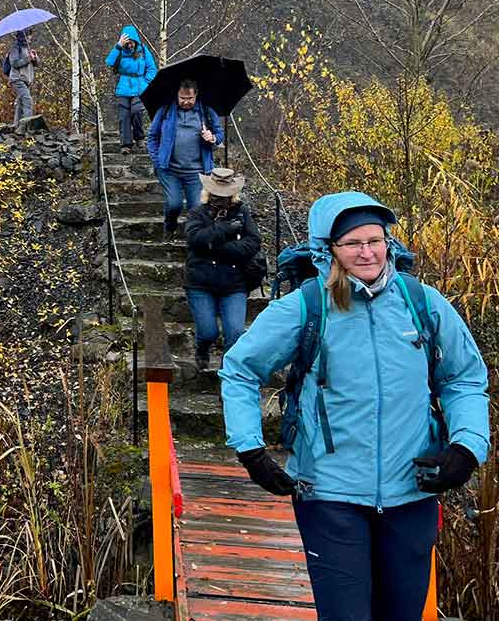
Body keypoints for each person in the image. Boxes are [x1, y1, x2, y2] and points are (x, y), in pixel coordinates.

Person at [220, 192, 489, 621]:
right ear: (329, 249)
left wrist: (466, 447)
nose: (367, 252)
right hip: (329, 494)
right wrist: (250, 449)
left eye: (375, 240)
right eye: (352, 243)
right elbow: (240, 369)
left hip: (413, 490)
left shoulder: (422, 303)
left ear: (388, 242)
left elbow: (464, 377)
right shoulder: (306, 306)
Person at [185, 167, 261, 370]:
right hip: (200, 282)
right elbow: (195, 239)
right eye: (217, 194)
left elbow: (253, 242)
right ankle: (202, 348)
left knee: (235, 333)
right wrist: (224, 229)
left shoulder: (242, 213)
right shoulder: (197, 213)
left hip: (234, 283)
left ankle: (228, 377)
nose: (221, 198)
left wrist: (219, 247)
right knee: (208, 331)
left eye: (225, 195)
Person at [146, 79, 223, 236]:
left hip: (197, 171)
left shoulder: (206, 111)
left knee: (196, 208)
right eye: (182, 98)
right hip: (169, 169)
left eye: (189, 98)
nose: (186, 101)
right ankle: (170, 227)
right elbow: (152, 136)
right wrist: (157, 159)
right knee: (174, 204)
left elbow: (219, 133)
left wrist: (212, 137)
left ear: (196, 95)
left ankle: (193, 240)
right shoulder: (166, 109)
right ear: (177, 95)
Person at [105, 24, 157, 154]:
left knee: (136, 110)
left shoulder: (143, 51)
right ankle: (125, 144)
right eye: (127, 43)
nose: (130, 45)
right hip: (123, 87)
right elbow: (109, 62)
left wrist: (146, 82)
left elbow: (152, 69)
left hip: (140, 87)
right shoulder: (119, 51)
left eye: (132, 42)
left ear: (136, 41)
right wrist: (118, 46)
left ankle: (139, 137)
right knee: (124, 116)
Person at [6, 29, 39, 126]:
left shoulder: (28, 48)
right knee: (27, 100)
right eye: (29, 35)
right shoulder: (15, 48)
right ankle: (27, 126)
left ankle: (16, 126)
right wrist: (28, 58)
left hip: (26, 80)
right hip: (17, 79)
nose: (31, 37)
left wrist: (35, 57)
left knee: (20, 104)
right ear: (24, 36)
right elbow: (14, 63)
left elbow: (37, 64)